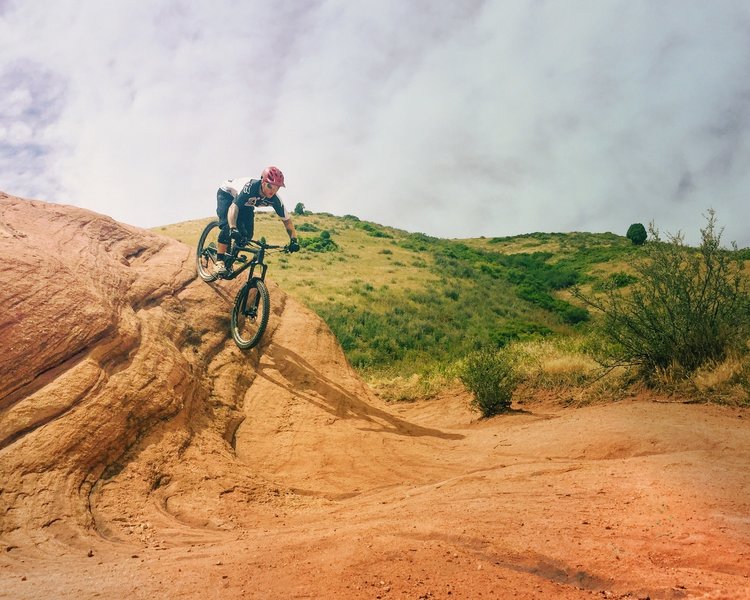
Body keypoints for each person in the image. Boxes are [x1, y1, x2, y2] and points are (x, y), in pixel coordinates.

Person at [214, 166, 299, 277]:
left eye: (277, 188)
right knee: (227, 226)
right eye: (270, 186)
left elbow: (287, 221)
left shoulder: (275, 200)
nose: (272, 191)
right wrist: (233, 228)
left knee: (247, 235)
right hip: (227, 195)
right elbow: (233, 207)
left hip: (246, 203)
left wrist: (294, 240)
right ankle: (219, 261)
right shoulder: (250, 187)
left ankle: (230, 256)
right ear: (263, 182)